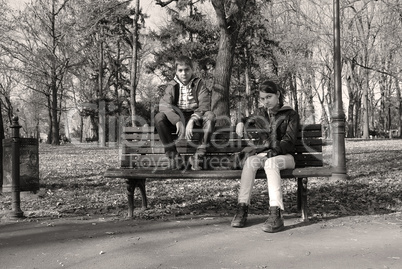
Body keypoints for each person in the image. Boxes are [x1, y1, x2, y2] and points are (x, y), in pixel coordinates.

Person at [231, 80, 299, 233]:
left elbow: (288, 141)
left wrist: (272, 152)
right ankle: (242, 208)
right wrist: (241, 122)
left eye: (269, 97)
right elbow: (247, 119)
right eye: (262, 98)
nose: (265, 101)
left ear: (278, 95)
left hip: (286, 157)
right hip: (266, 155)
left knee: (271, 163)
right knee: (250, 161)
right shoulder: (261, 114)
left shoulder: (290, 114)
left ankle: (276, 213)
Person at [154, 55, 215, 170]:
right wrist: (176, 120)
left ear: (192, 70)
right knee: (159, 117)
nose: (184, 73)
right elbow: (164, 106)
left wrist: (193, 119)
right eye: (180, 70)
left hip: (195, 116)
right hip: (178, 116)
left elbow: (204, 105)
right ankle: (174, 158)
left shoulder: (199, 83)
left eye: (187, 69)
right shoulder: (172, 85)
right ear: (176, 72)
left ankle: (198, 157)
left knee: (210, 116)